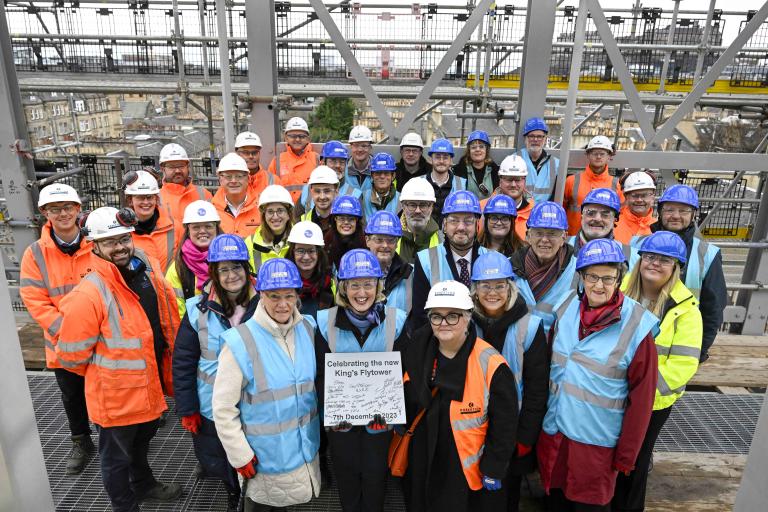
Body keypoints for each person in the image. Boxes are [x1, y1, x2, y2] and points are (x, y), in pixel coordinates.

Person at [57, 207, 182, 511]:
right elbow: (71, 356)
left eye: (124, 239)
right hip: (116, 398)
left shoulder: (146, 271)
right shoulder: (90, 294)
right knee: (115, 459)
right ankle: (125, 506)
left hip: (148, 386)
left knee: (141, 444)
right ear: (95, 246)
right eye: (111, 242)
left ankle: (143, 484)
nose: (120, 247)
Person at [537, 238, 659, 511]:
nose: (599, 285)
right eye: (592, 276)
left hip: (596, 448)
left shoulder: (637, 326)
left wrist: (627, 456)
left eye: (608, 277)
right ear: (580, 277)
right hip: (556, 438)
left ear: (619, 278)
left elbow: (642, 400)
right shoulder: (566, 308)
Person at [213, 258, 321, 510]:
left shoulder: (308, 328)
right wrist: (239, 454)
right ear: (261, 294)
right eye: (274, 296)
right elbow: (223, 408)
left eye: (289, 295)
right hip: (264, 461)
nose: (283, 304)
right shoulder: (240, 342)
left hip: (303, 455)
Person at [401, 280, 517, 512]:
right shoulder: (414, 353)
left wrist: (494, 467)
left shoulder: (491, 363)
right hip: (424, 460)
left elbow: (505, 423)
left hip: (464, 469)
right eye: (436, 316)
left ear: (468, 317)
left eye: (453, 316)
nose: (444, 323)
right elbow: (403, 398)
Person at [613, 231, 702, 512]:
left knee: (636, 462)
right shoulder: (619, 292)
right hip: (613, 394)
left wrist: (642, 394)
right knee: (610, 456)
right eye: (650, 256)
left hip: (652, 404)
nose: (654, 263)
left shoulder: (687, 311)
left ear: (676, 267)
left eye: (664, 260)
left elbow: (683, 365)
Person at [315, 249, 408, 512]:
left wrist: (392, 416)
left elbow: (403, 375)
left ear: (378, 285)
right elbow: (321, 376)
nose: (362, 292)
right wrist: (332, 414)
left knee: (375, 475)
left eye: (368, 284)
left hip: (379, 423)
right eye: (354, 284)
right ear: (343, 287)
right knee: (347, 476)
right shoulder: (324, 323)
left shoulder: (396, 322)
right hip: (342, 426)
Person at [172, 234, 258, 511]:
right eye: (224, 269)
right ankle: (233, 493)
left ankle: (255, 499)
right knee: (220, 458)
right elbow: (183, 362)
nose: (232, 275)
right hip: (212, 406)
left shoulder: (266, 304)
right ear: (213, 273)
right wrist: (187, 408)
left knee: (257, 456)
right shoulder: (198, 311)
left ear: (247, 269)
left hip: (257, 405)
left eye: (237, 267)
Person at [20, 183, 97, 475]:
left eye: (67, 207)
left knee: (104, 391)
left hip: (102, 340)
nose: (63, 214)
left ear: (78, 210)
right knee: (72, 395)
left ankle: (114, 440)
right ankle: (81, 441)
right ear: (44, 214)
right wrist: (70, 331)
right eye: (55, 209)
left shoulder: (96, 245)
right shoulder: (35, 254)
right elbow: (35, 300)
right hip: (62, 343)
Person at [469, 252, 549, 512]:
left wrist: (524, 438)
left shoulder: (530, 327)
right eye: (485, 285)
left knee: (505, 500)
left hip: (511, 434)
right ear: (475, 288)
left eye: (499, 285)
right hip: (470, 431)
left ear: (510, 287)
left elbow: (537, 390)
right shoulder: (464, 323)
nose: (493, 292)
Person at [630, 184, 726, 363]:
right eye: (669, 209)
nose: (675, 215)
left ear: (693, 214)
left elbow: (713, 309)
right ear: (660, 211)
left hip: (677, 344)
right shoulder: (636, 244)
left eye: (683, 210)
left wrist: (697, 352)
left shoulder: (707, 254)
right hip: (633, 340)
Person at [410, 190, 488, 331]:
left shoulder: (491, 260)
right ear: (444, 225)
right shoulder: (425, 260)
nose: (461, 227)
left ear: (477, 225)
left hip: (481, 345)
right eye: (454, 220)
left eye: (468, 221)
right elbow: (421, 316)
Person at [510, 201, 578, 333]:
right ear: (528, 236)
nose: (545, 239)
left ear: (563, 237)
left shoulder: (578, 272)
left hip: (555, 348)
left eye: (552, 233)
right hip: (515, 347)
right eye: (539, 233)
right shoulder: (508, 268)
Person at [166, 200, 223, 317]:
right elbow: (177, 312)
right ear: (188, 231)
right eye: (196, 227)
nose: (202, 231)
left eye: (208, 226)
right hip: (195, 332)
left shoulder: (233, 257)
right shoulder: (177, 269)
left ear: (216, 228)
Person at [563, 135, 624, 235]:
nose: (598, 156)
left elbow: (621, 217)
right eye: (594, 153)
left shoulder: (617, 185)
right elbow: (562, 210)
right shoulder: (571, 181)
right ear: (588, 155)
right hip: (573, 239)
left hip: (603, 240)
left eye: (602, 154)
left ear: (609, 156)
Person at [123, 170, 182, 272]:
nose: (146, 202)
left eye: (149, 197)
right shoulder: (122, 232)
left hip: (172, 287)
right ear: (130, 201)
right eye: (140, 198)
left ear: (156, 199)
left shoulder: (174, 226)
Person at [567, 188, 633, 261]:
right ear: (582, 215)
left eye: (605, 214)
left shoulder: (629, 256)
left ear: (614, 220)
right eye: (591, 213)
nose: (597, 219)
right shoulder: (561, 246)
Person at [365, 211, 413, 312]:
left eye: (391, 240)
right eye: (379, 240)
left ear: (397, 243)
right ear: (367, 241)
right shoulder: (352, 273)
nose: (385, 245)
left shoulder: (412, 274)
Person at [286, 221, 334, 318]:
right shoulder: (283, 283)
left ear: (318, 253)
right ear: (292, 252)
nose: (306, 257)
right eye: (300, 251)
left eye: (311, 251)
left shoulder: (330, 283)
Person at [244, 184, 294, 273]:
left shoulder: (299, 240)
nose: (275, 216)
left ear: (288, 214)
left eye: (280, 211)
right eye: (270, 211)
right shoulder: (249, 243)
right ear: (264, 215)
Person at [157, 143, 212, 222]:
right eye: (172, 167)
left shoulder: (203, 194)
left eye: (181, 166)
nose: (177, 171)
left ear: (188, 166)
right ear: (162, 169)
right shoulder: (156, 199)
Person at [481, 154, 532, 240]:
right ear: (500, 181)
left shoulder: (534, 212)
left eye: (518, 179)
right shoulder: (482, 208)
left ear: (524, 181)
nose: (513, 184)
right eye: (508, 179)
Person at [268, 117, 319, 202]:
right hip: (285, 211)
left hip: (309, 211)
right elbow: (269, 189)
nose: (297, 139)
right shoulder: (277, 161)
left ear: (308, 139)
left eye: (302, 136)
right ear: (286, 138)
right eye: (293, 136)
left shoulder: (317, 159)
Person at [212, 152, 262, 237]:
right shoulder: (211, 210)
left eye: (239, 176)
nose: (234, 181)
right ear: (220, 179)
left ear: (248, 178)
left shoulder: (261, 207)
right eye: (228, 177)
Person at [396, 177, 443, 265]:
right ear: (403, 206)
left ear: (431, 207)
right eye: (412, 205)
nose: (418, 211)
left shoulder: (443, 240)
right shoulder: (390, 238)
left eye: (423, 205)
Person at [424, 138, 467, 222]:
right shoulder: (419, 183)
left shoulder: (462, 184)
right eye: (437, 157)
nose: (441, 161)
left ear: (451, 160)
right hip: (425, 234)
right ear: (430, 159)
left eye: (445, 157)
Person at [518, 117, 558, 203]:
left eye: (539, 136)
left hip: (545, 212)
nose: (535, 140)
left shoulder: (556, 164)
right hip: (520, 212)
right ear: (525, 138)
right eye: (531, 136)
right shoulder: (515, 159)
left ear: (545, 139)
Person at [235, 131, 282, 200]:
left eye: (254, 152)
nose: (251, 156)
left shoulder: (273, 180)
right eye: (246, 153)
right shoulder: (230, 182)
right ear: (237, 154)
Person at [325, 195, 366, 271]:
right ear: (335, 219)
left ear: (357, 221)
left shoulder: (365, 243)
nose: (346, 222)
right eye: (341, 219)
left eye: (351, 219)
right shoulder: (327, 242)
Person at [614, 171, 657, 245]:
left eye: (644, 195)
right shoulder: (613, 226)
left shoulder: (658, 229)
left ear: (652, 197)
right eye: (634, 195)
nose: (639, 200)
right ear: (626, 197)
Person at [455, 130, 498, 200]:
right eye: (473, 147)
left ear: (486, 150)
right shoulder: (460, 171)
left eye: (481, 146)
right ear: (469, 151)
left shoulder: (494, 171)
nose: (477, 150)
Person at [295, 165, 339, 233]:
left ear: (336, 192)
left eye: (327, 191)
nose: (322, 197)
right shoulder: (301, 222)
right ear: (311, 192)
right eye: (317, 191)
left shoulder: (343, 222)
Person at [362, 152, 400, 218]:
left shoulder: (401, 200)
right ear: (372, 176)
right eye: (378, 173)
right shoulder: (362, 198)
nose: (382, 176)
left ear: (393, 176)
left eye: (386, 173)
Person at [345, 125, 374, 193]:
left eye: (364, 146)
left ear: (370, 147)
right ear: (351, 147)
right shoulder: (343, 169)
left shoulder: (378, 169)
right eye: (356, 145)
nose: (360, 149)